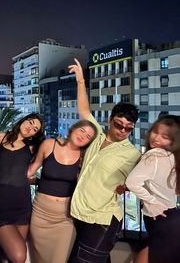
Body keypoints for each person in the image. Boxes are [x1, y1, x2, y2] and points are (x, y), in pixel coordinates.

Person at [67, 58, 141, 263]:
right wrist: (81, 81)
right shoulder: (96, 135)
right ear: (110, 120)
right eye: (119, 124)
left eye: (129, 128)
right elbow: (84, 111)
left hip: (103, 219)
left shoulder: (133, 153)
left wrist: (128, 186)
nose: (123, 131)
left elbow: (144, 177)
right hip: (81, 215)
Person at [27, 120, 98, 263]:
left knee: (59, 259)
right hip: (40, 213)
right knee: (39, 258)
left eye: (88, 137)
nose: (83, 136)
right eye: (82, 130)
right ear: (73, 129)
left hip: (65, 217)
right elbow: (31, 169)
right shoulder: (49, 144)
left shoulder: (84, 158)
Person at [0, 113, 45, 263]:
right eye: (30, 122)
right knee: (19, 256)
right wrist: (1, 175)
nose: (31, 128)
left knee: (5, 255)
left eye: (35, 129)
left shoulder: (31, 147)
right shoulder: (0, 137)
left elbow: (37, 164)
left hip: (21, 205)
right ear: (23, 120)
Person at [126, 115, 180, 263]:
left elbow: (131, 182)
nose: (156, 138)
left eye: (165, 137)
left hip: (162, 221)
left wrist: (152, 201)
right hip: (172, 217)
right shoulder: (173, 157)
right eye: (155, 132)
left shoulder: (154, 156)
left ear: (173, 141)